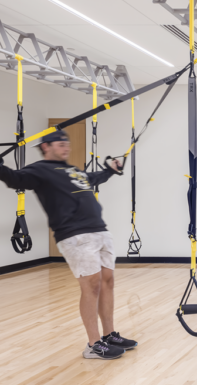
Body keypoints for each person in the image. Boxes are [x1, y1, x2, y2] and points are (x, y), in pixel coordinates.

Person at [0, 130, 138, 360]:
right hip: (74, 235)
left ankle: (109, 334)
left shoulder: (73, 171)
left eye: (67, 142)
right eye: (60, 143)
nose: (66, 146)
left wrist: (110, 171)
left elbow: (93, 179)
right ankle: (93, 345)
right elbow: (15, 178)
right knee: (91, 286)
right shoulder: (38, 170)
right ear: (46, 147)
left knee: (107, 283)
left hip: (100, 230)